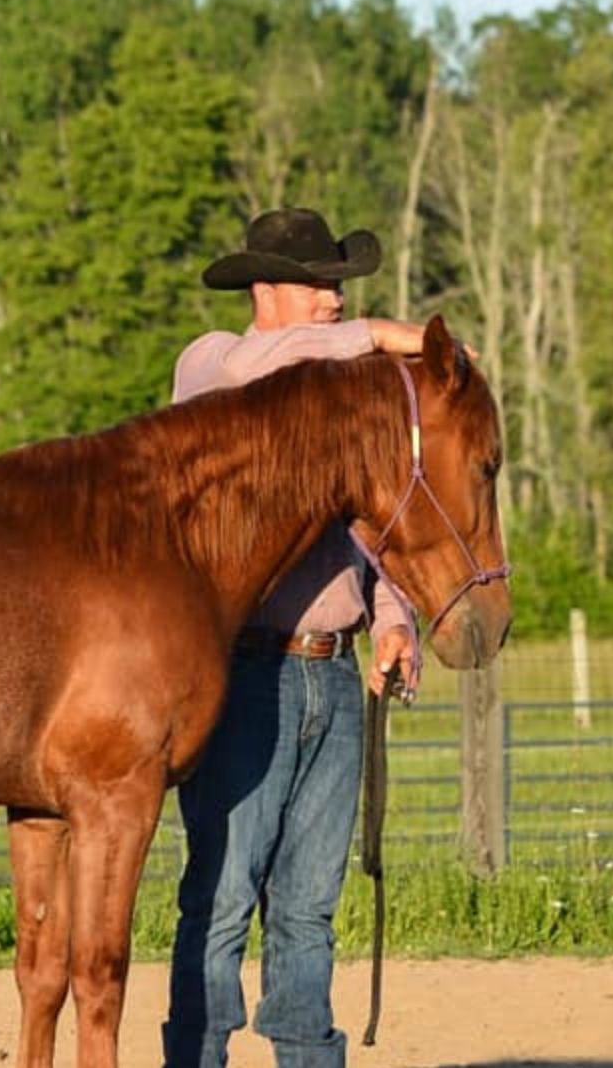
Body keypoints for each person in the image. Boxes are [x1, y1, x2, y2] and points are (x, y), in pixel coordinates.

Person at [163, 207, 427, 1068]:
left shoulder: (334, 378)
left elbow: (371, 516)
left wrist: (391, 620)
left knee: (310, 905)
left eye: (340, 288)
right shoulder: (214, 362)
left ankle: (310, 1059)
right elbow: (264, 362)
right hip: (246, 675)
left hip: (333, 674)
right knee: (224, 893)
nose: (333, 302)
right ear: (266, 288)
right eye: (319, 285)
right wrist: (383, 336)